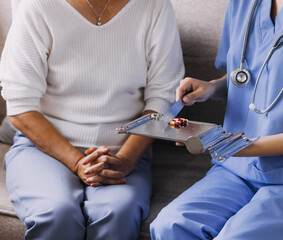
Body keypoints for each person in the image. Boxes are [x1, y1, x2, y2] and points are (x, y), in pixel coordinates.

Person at [150, 0, 283, 239]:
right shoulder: (243, 3)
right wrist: (211, 88)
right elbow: (248, 74)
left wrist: (233, 146)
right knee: (170, 225)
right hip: (238, 171)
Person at [0, 0, 184, 239]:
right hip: (43, 149)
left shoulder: (155, 6)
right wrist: (77, 163)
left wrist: (126, 159)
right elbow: (20, 106)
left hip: (124, 150)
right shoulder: (38, 6)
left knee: (117, 211)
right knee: (56, 212)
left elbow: (164, 98)